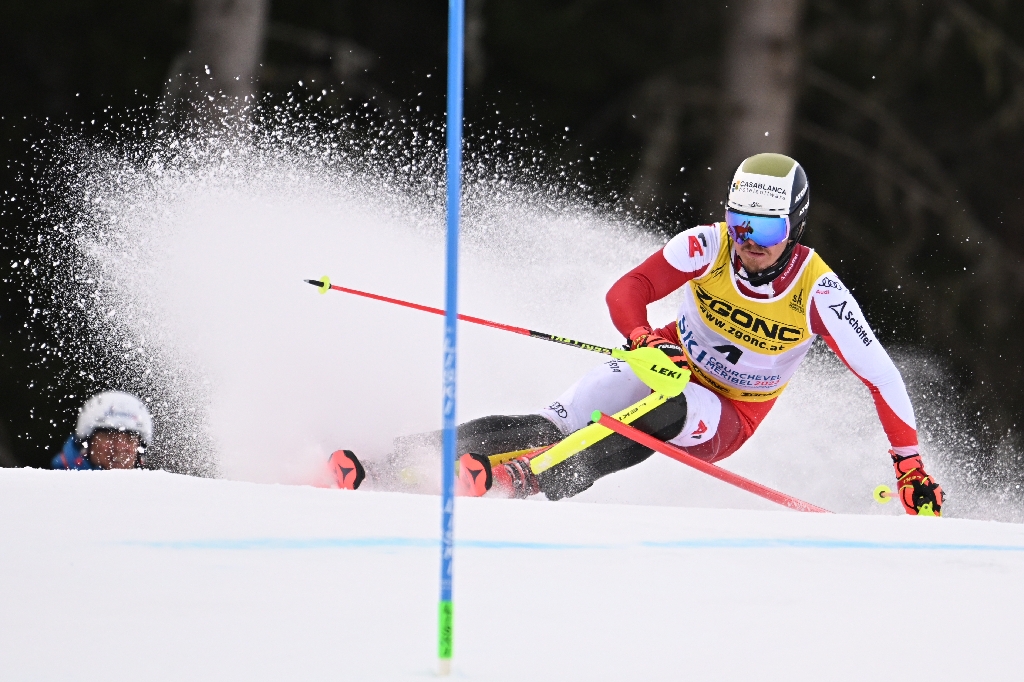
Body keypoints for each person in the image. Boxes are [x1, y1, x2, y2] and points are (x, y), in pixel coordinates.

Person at [341, 153, 943, 517]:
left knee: (665, 411)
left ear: (795, 226)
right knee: (554, 421)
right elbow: (627, 289)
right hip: (666, 360)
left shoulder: (818, 291)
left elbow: (881, 377)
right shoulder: (706, 245)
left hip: (726, 413)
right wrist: (640, 334)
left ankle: (528, 478)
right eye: (740, 223)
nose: (748, 241)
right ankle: (393, 460)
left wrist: (909, 466)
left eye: (765, 228)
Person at [51, 391, 153, 470]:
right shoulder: (55, 486)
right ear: (87, 441)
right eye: (109, 436)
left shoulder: (147, 489)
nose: (119, 447)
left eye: (129, 438)